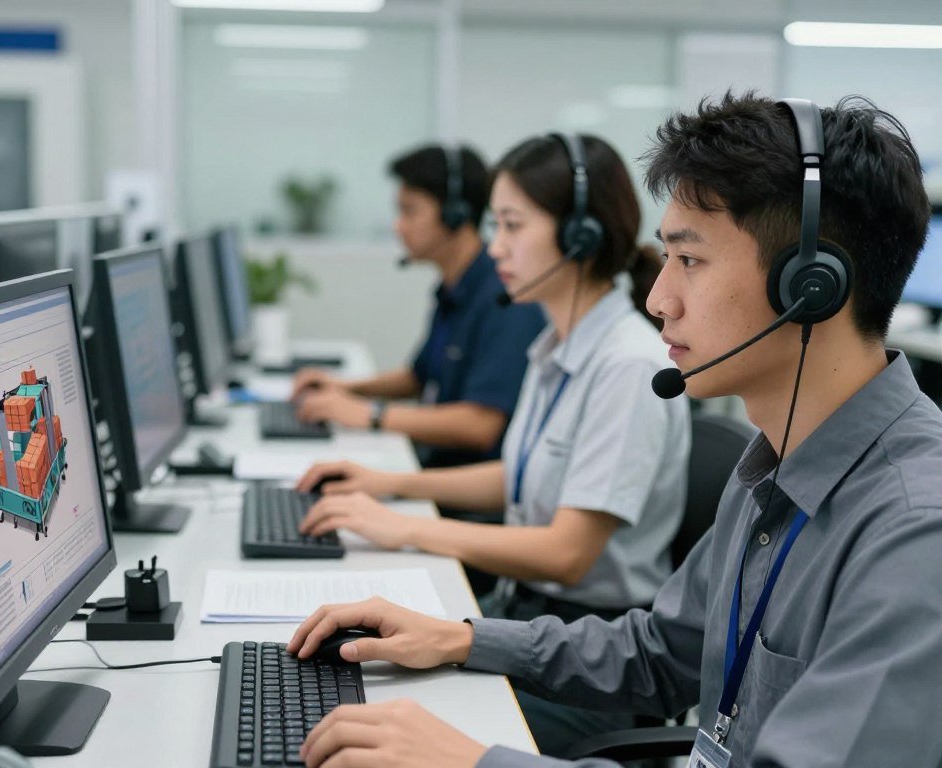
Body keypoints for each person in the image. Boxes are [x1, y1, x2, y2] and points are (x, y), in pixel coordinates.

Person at [286, 93, 942, 768]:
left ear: (811, 285)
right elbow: (661, 651)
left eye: (689, 260)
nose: (657, 299)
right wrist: (462, 639)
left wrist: (474, 764)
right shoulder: (772, 465)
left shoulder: (916, 535)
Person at [295, 133, 690, 753]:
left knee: (379, 720)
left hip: (592, 665)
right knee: (354, 668)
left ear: (580, 237)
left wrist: (403, 526)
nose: (496, 247)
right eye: (493, 225)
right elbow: (517, 474)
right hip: (531, 623)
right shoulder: (555, 344)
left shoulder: (626, 366)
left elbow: (566, 553)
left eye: (512, 226)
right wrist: (391, 486)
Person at [292, 144, 544, 471]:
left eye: (409, 211)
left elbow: (480, 426)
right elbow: (418, 377)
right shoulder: (455, 287)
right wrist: (345, 389)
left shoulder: (503, 297)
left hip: (468, 491)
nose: (398, 226)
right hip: (436, 466)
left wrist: (371, 414)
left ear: (456, 214)